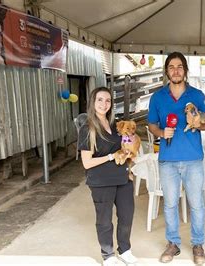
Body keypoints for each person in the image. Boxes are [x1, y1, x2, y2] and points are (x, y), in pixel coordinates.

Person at [148, 52, 205, 264]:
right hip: (168, 160)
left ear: (185, 70)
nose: (176, 71)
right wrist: (160, 133)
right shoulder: (157, 97)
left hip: (193, 159)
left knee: (196, 205)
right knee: (170, 205)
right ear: (167, 71)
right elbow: (151, 125)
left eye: (180, 67)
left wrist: (198, 122)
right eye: (172, 67)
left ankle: (198, 244)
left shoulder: (197, 94)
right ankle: (173, 243)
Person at [78, 87, 137, 266]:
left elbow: (127, 144)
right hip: (101, 181)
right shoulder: (87, 128)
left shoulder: (116, 125)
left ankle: (125, 250)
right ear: (93, 102)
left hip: (123, 178)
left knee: (126, 216)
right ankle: (108, 255)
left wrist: (131, 150)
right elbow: (87, 163)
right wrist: (111, 156)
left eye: (108, 100)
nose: (104, 104)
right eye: (100, 100)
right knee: (104, 220)